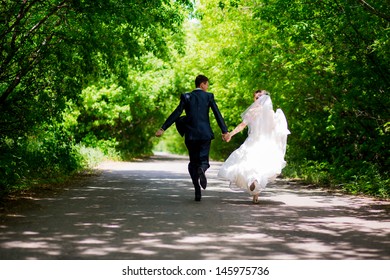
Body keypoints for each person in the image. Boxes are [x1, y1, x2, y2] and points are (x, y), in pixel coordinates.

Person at [155, 75, 230, 201]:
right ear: (202, 84)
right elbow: (217, 114)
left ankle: (197, 189)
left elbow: (177, 112)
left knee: (193, 163)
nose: (207, 87)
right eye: (207, 84)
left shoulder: (186, 96)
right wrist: (224, 131)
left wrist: (163, 128)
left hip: (191, 135)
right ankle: (202, 169)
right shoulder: (208, 96)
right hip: (205, 134)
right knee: (204, 162)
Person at [218, 90, 290, 203]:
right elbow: (274, 130)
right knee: (260, 167)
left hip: (252, 141)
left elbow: (241, 126)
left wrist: (230, 134)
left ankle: (253, 184)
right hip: (266, 143)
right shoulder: (271, 113)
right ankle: (256, 193)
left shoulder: (252, 112)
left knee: (247, 165)